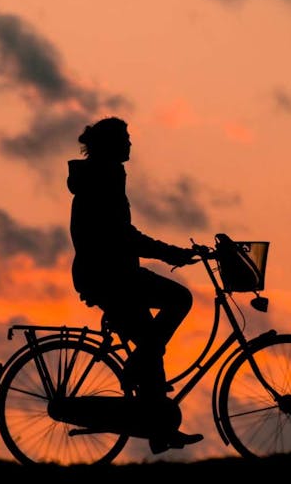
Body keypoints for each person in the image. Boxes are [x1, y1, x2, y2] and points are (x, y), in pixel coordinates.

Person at [66, 116, 204, 454]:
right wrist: (170, 253)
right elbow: (123, 236)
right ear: (112, 145)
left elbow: (123, 236)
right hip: (108, 276)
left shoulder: (104, 176)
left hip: (111, 274)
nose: (130, 143)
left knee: (150, 342)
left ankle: (159, 429)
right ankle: (136, 369)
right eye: (125, 138)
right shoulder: (103, 178)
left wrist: (169, 253)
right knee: (178, 299)